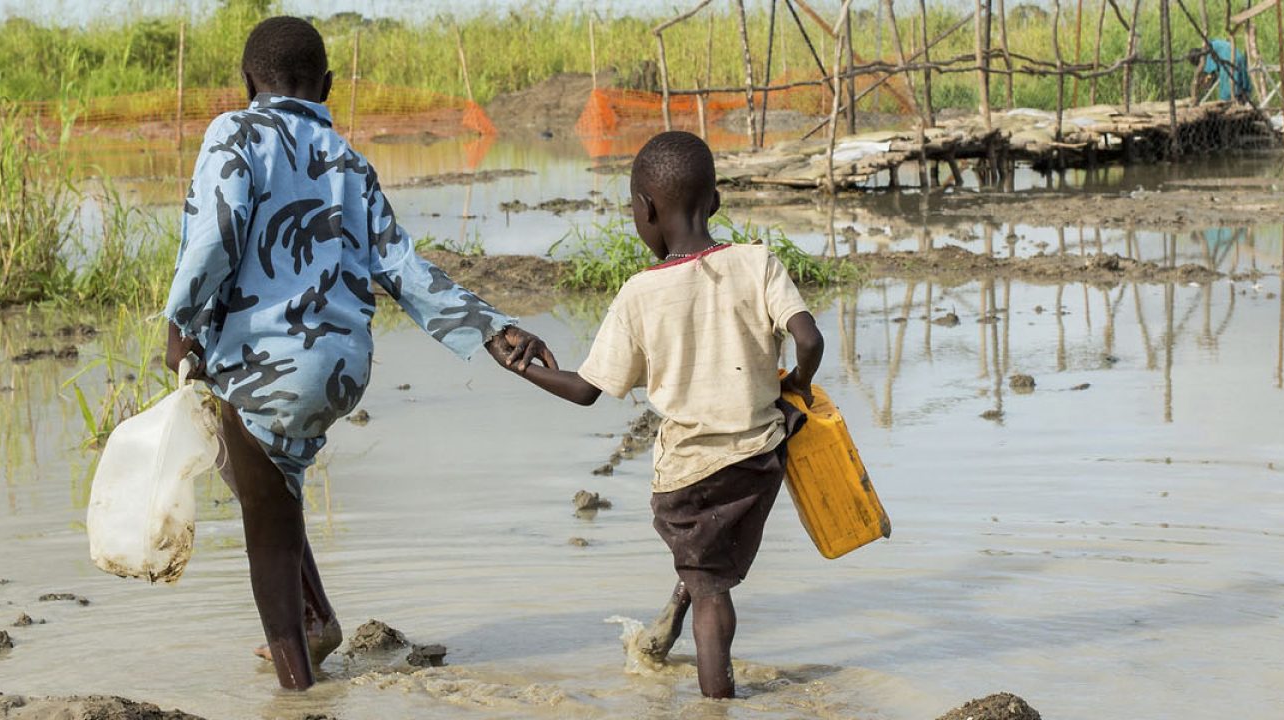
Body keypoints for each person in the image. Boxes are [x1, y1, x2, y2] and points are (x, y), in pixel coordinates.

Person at [161, 16, 554, 691]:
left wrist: (181, 321)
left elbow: (218, 234)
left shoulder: (234, 131)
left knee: (263, 519)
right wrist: (491, 327)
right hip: (342, 369)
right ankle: (316, 620)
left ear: (247, 82)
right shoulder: (348, 159)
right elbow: (400, 265)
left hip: (268, 365)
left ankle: (296, 685)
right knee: (271, 487)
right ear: (329, 87)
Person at [495, 131, 825, 698]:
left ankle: (716, 704)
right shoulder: (757, 262)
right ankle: (677, 608)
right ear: (715, 202)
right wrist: (797, 383)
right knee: (710, 566)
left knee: (713, 593)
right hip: (762, 461)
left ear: (645, 209)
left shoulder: (640, 294)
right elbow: (809, 339)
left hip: (690, 478)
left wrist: (520, 368)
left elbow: (585, 390)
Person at [1188, 38, 1253, 103]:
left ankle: (1233, 105)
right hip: (1239, 57)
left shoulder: (1205, 56)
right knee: (1241, 87)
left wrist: (1206, 81)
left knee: (1226, 95)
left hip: (1229, 61)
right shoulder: (1211, 43)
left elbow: (1211, 72)